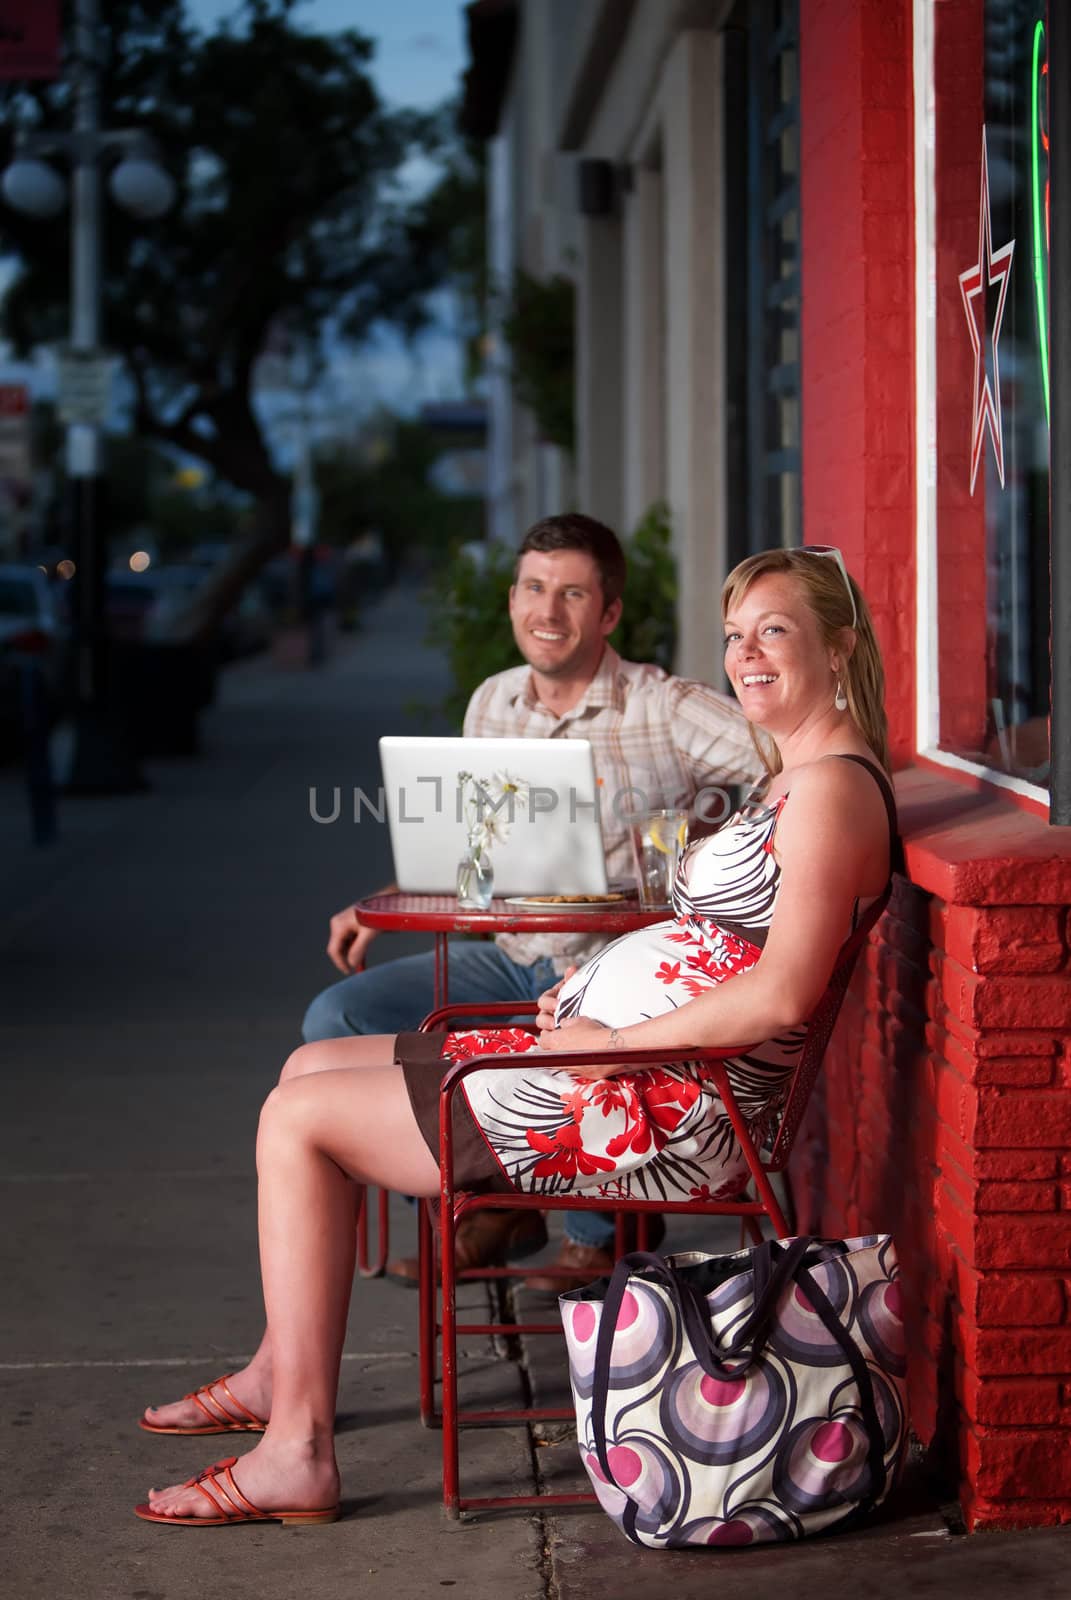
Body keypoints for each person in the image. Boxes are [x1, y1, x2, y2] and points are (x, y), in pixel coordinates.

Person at [136, 544, 897, 1527]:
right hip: (628, 1073)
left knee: (298, 1121)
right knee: (308, 1062)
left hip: (661, 1108)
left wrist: (602, 1041)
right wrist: (592, 998)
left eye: (774, 632)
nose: (745, 655)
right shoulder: (796, 778)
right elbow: (720, 945)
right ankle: (284, 1367)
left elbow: (780, 996)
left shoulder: (831, 791)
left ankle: (298, 1447)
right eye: (736, 635)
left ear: (839, 647)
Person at [303, 511, 761, 1285]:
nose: (548, 612)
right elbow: (474, 852)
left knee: (599, 1033)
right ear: (513, 597)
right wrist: (381, 898)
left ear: (607, 613)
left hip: (609, 976)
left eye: (573, 594)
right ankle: (490, 1207)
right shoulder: (494, 702)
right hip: (513, 958)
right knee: (337, 1017)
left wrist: (714, 849)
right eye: (534, 588)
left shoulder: (662, 705)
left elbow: (790, 760)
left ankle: (596, 1240)